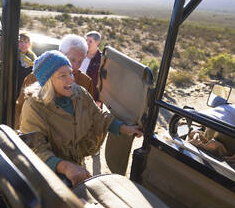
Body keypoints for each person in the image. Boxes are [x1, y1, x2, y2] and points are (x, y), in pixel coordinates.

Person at [19, 50, 142, 187]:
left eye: (70, 73)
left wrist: (125, 128)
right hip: (47, 174)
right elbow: (36, 149)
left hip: (75, 166)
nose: (71, 79)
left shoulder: (79, 93)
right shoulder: (34, 107)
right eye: (63, 76)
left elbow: (98, 116)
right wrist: (65, 167)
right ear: (48, 81)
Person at [15, 34, 94, 129]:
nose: (75, 66)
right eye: (72, 60)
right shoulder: (35, 78)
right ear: (60, 54)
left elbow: (91, 116)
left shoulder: (85, 82)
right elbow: (19, 111)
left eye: (80, 61)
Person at [79, 31, 102, 102]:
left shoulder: (101, 60)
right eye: (86, 40)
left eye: (90, 41)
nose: (87, 43)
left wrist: (99, 100)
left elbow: (104, 83)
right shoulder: (81, 54)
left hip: (91, 97)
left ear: (97, 42)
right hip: (76, 91)